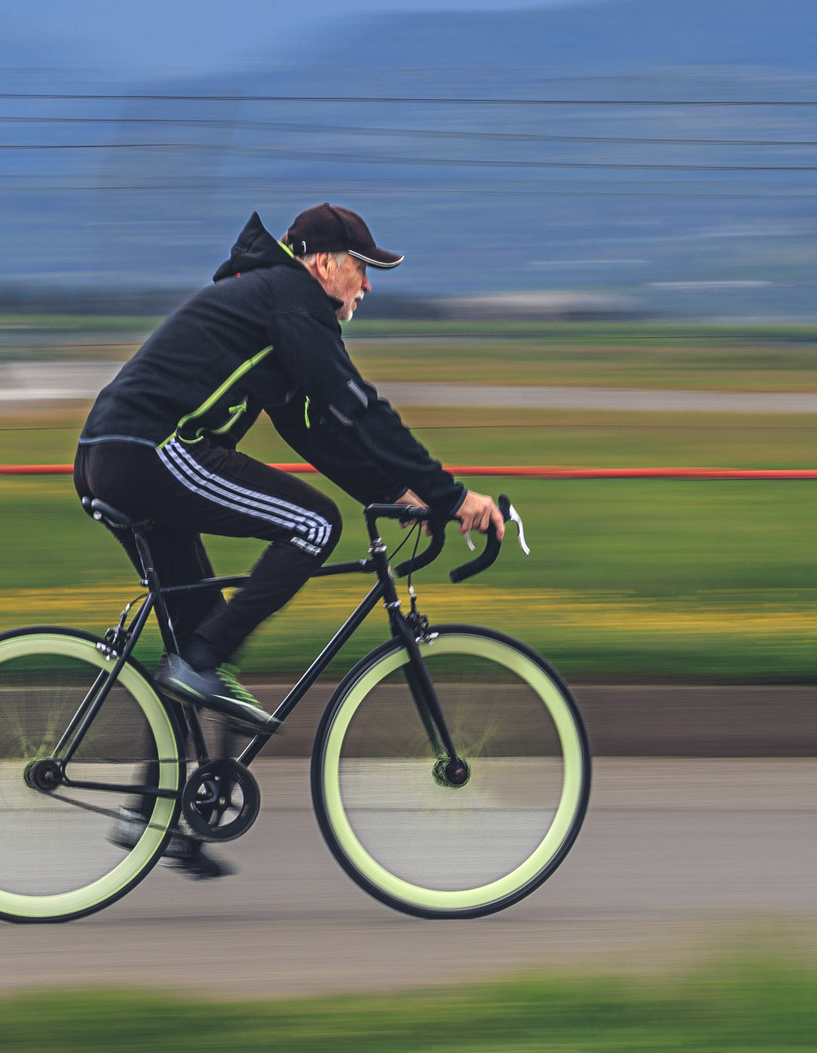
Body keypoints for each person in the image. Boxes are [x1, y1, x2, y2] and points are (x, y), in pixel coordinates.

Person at [76, 205, 504, 872]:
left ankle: (159, 813)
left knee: (203, 635)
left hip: (121, 457)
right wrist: (451, 494)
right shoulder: (291, 299)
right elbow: (357, 403)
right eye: (362, 270)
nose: (366, 288)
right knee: (312, 524)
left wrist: (395, 494)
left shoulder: (268, 306)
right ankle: (198, 669)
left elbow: (317, 431)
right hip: (151, 453)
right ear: (323, 263)